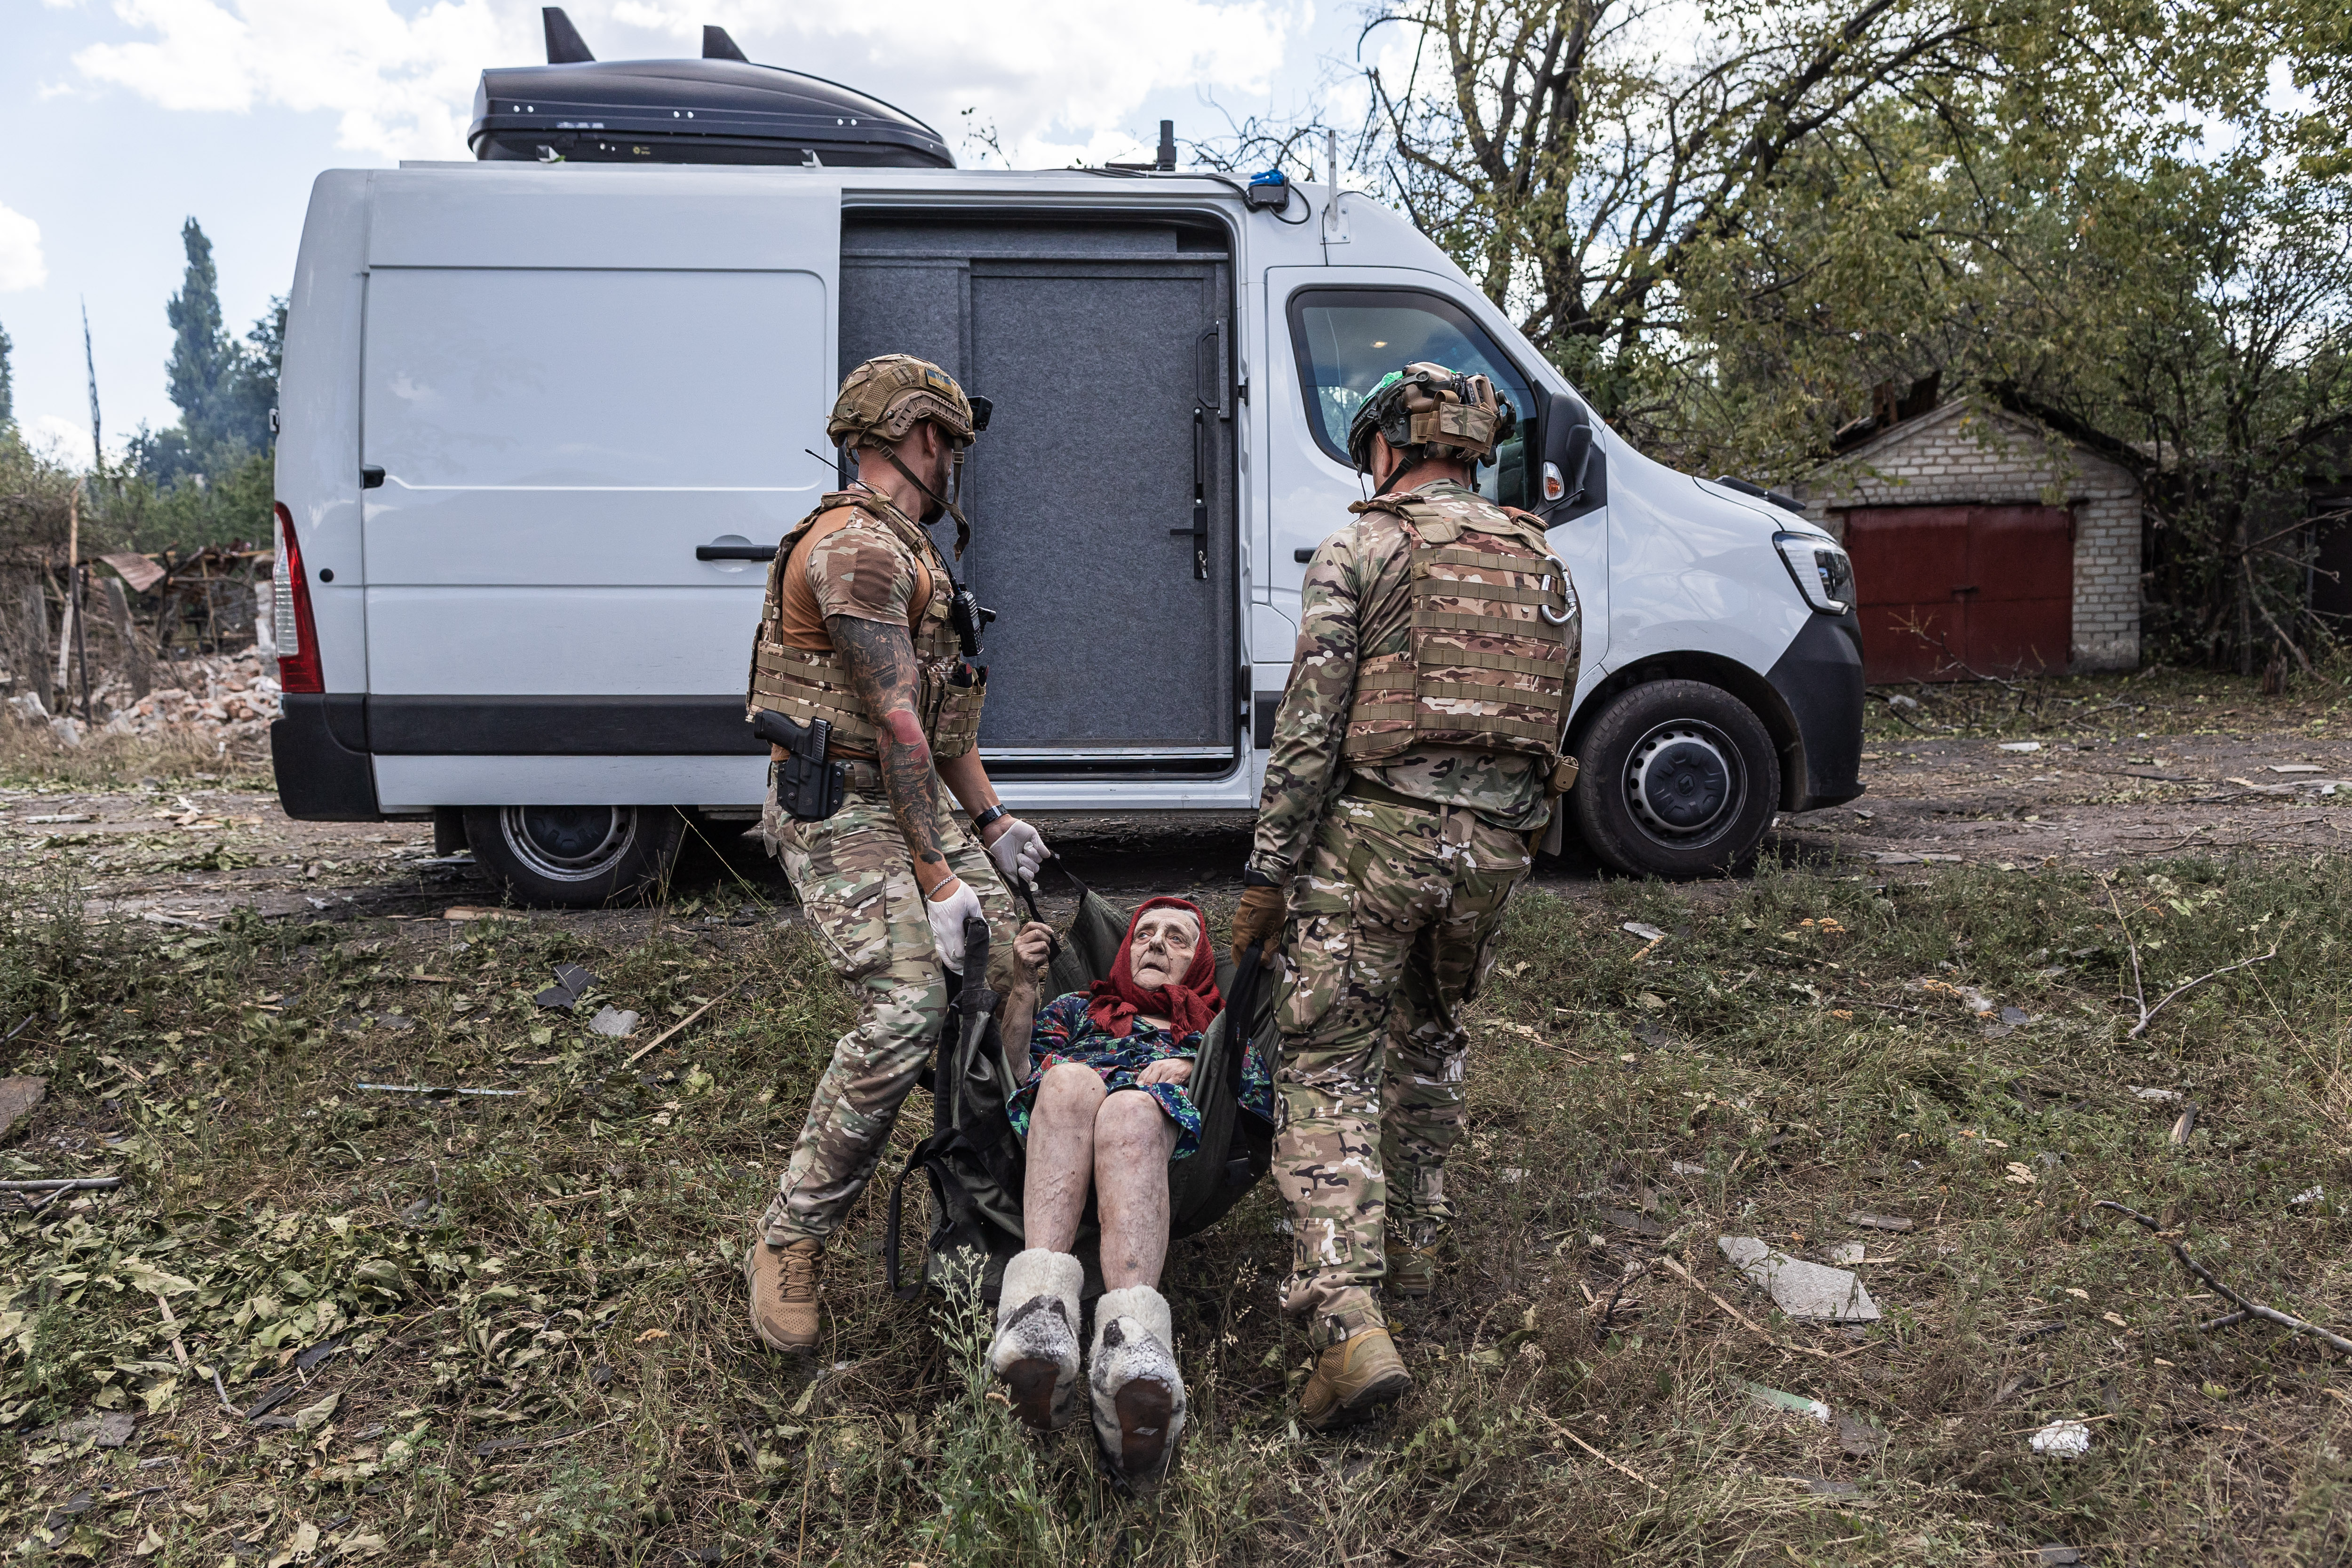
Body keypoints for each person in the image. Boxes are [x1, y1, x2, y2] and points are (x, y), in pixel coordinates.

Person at [1229, 362, 1581, 1432]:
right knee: (1432, 1031)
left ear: (1386, 446)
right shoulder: (1539, 560)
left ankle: (1345, 1313)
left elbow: (1309, 729)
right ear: (1472, 450)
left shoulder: (1365, 546)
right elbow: (1545, 722)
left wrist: (1269, 875)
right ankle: (1418, 1250)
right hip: (1493, 854)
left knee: (1326, 1059)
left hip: (1377, 835)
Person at [743, 354, 1052, 1353]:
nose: (958, 462)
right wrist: (937, 876)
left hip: (905, 801)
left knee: (1021, 960)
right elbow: (893, 723)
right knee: (909, 1003)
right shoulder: (855, 553)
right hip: (839, 809)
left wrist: (994, 826)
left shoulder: (915, 553)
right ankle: (791, 1238)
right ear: (923, 439)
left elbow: (942, 727)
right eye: (953, 443)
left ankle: (990, 1196)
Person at [984, 898, 1272, 1486]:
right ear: (1124, 949)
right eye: (1143, 933)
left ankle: (1132, 1350)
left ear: (1200, 962)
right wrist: (1020, 986)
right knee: (1065, 1080)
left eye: (1176, 937)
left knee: (1131, 1112)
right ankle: (1038, 1319)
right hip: (1054, 1133)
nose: (1156, 943)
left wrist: (1193, 1065)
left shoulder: (1215, 1029)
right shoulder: (1074, 1007)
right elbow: (1012, 1067)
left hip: (1160, 1149)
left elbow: (1257, 1101)